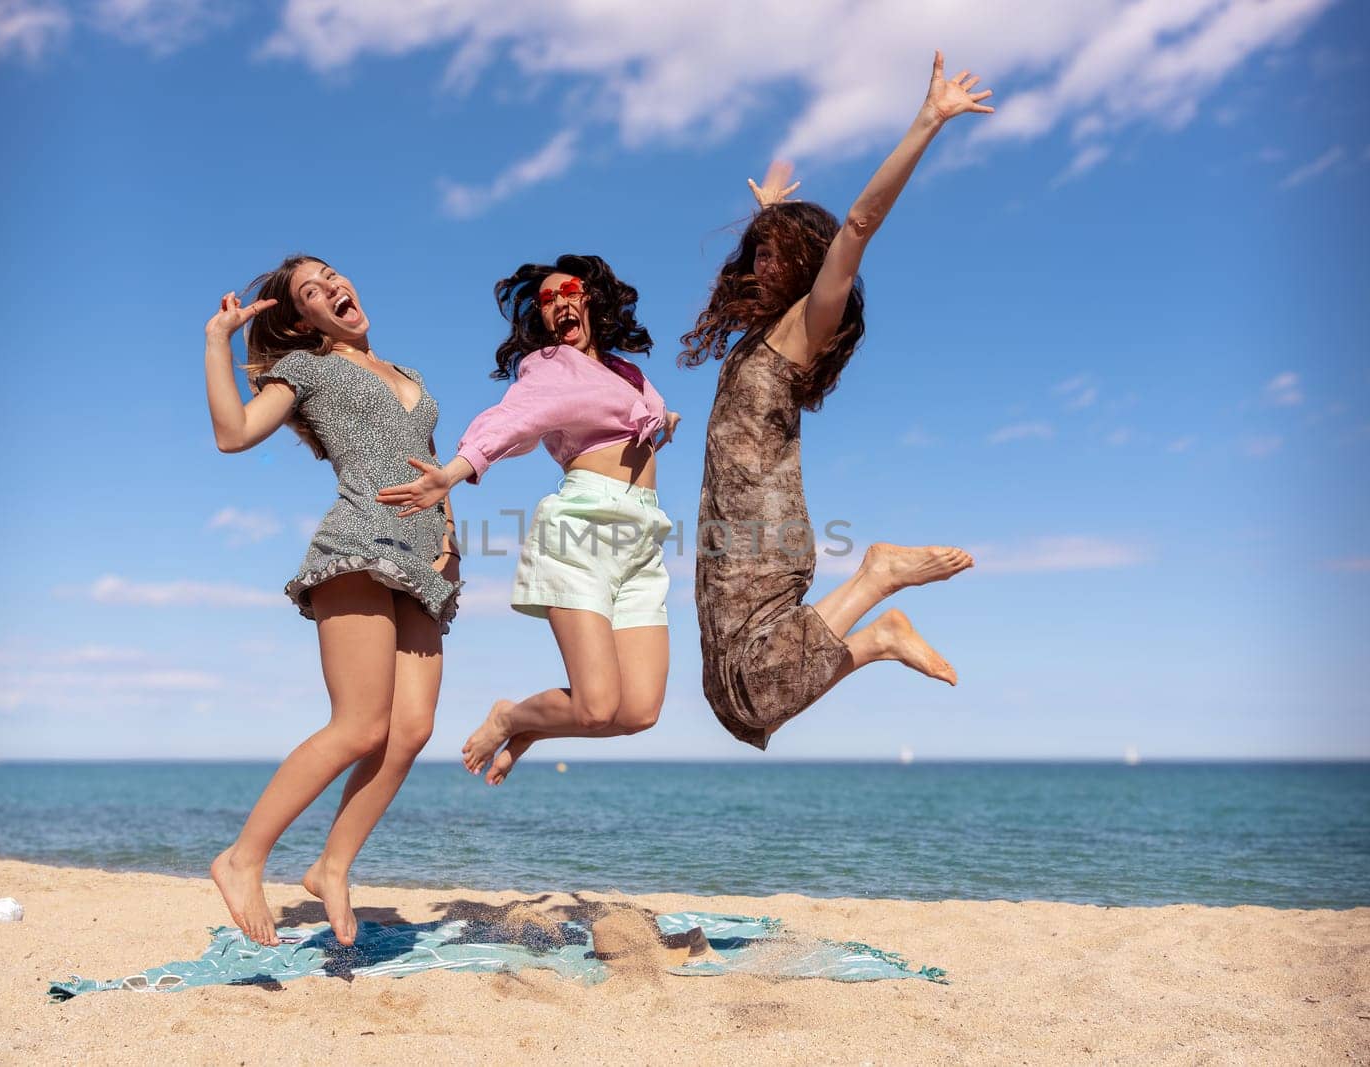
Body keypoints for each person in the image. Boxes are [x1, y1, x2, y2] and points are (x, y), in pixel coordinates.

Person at [681, 52, 990, 750]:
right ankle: (878, 639)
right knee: (734, 704)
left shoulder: (805, 327)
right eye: (754, 252)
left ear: (809, 263)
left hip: (763, 529)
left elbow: (856, 225)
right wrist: (771, 215)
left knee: (756, 689)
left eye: (774, 252)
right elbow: (785, 248)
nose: (758, 261)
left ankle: (877, 577)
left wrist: (928, 120)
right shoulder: (765, 331)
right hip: (724, 532)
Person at [202, 255, 461, 946]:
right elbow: (234, 435)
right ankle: (241, 856)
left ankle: (331, 865)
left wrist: (452, 539)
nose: (332, 289)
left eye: (332, 276)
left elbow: (432, 466)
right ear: (301, 320)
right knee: (359, 724)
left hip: (422, 558)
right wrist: (216, 343)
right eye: (311, 292)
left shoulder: (412, 377)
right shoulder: (308, 370)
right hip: (356, 545)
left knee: (409, 729)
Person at [378, 254, 680, 785]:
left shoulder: (626, 373)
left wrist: (663, 420)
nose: (560, 303)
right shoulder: (549, 367)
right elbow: (514, 419)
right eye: (546, 300)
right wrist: (452, 473)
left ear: (594, 299)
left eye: (571, 291)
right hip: (582, 528)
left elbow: (633, 413)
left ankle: (535, 726)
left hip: (642, 537)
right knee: (595, 706)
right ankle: (511, 717)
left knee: (639, 712)